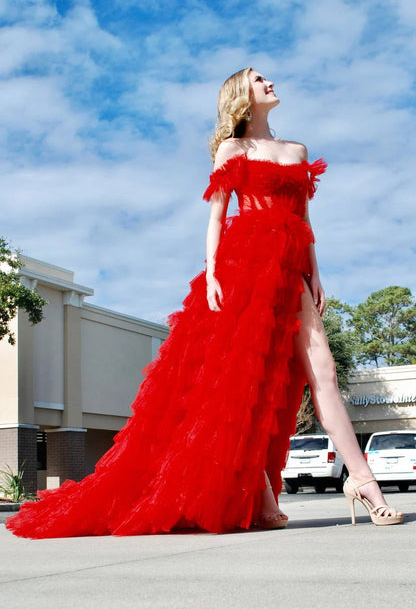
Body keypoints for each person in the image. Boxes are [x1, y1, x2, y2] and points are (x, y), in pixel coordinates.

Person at [5, 68, 402, 539]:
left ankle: (362, 481)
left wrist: (315, 274)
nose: (270, 83)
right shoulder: (232, 149)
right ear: (241, 96)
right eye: (259, 80)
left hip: (290, 271)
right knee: (243, 384)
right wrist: (213, 273)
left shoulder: (297, 151)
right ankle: (263, 496)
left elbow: (304, 219)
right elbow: (216, 216)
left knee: (324, 373)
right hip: (243, 270)